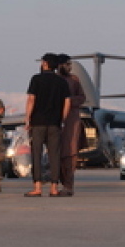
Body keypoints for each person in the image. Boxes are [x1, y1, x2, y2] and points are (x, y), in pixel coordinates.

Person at [24, 53, 70, 197]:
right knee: (54, 155)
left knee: (36, 154)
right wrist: (62, 119)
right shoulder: (62, 81)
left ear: (45, 63)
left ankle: (37, 187)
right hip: (55, 123)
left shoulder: (36, 79)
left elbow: (31, 99)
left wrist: (27, 118)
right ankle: (54, 188)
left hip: (38, 122)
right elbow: (67, 102)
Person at [56, 54, 87, 196]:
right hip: (55, 119)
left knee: (70, 152)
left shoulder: (74, 80)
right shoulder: (54, 80)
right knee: (56, 153)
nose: (69, 67)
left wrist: (68, 101)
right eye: (67, 64)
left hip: (71, 120)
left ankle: (68, 185)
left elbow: (82, 97)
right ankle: (56, 183)